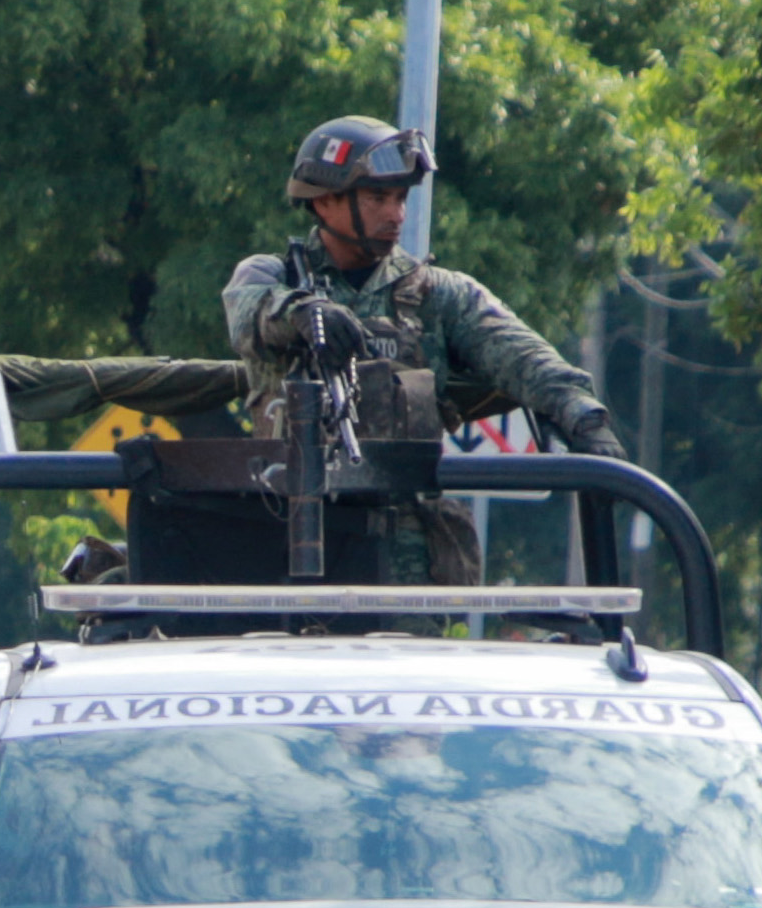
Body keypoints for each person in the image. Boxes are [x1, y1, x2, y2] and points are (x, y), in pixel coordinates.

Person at [223, 116, 622, 580]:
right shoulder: (271, 277)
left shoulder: (439, 296)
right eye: (377, 198)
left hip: (405, 561)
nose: (396, 215)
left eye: (400, 198)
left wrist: (585, 417)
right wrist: (300, 314)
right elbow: (248, 313)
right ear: (325, 200)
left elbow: (524, 356)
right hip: (291, 541)